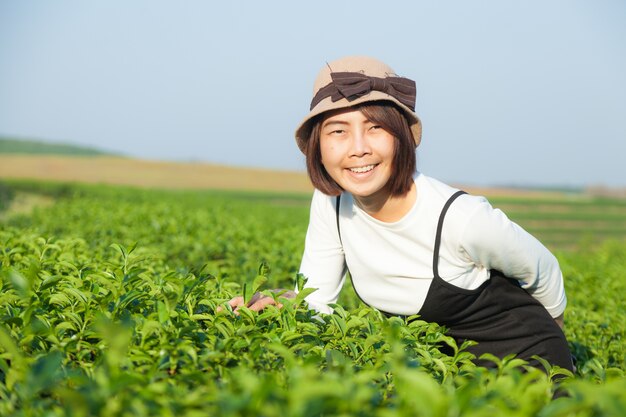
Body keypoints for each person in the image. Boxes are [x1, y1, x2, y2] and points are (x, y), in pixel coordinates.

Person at [226, 55, 574, 372]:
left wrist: (558, 354)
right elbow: (315, 302)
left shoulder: (462, 218)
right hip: (442, 373)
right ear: (318, 145)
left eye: (375, 127)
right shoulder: (331, 204)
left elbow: (545, 271)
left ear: (401, 137)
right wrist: (275, 304)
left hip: (526, 367)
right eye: (338, 131)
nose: (359, 148)